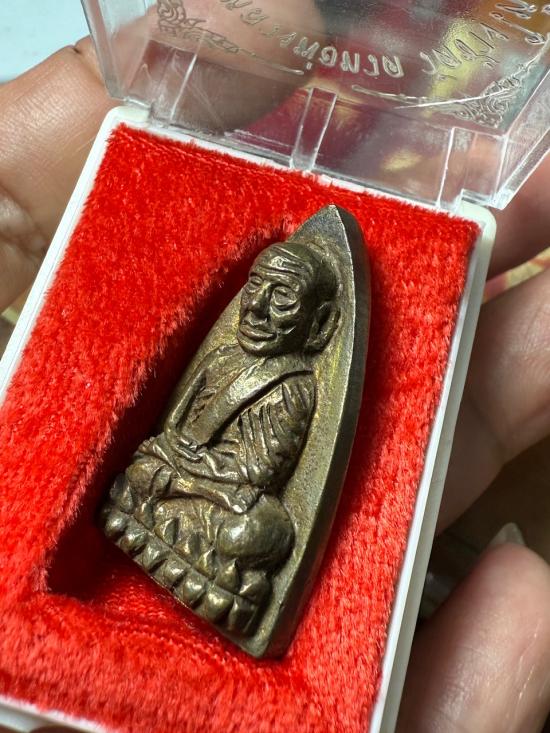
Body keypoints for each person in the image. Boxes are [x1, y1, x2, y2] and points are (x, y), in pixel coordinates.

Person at [0, 37, 549, 733]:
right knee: (139, 467)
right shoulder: (226, 356)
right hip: (177, 487)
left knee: (257, 530)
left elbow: (253, 478)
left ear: (317, 322)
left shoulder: (292, 387)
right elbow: (174, 433)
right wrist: (170, 461)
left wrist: (186, 471)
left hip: (221, 508)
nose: (258, 309)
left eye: (280, 300)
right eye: (258, 289)